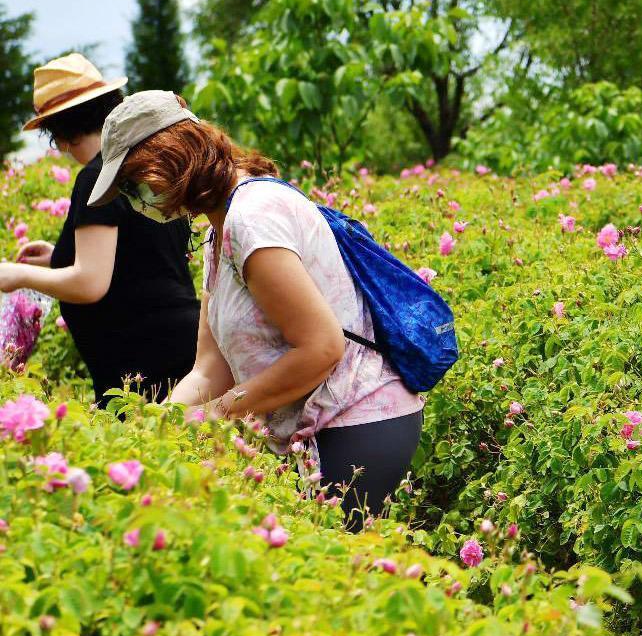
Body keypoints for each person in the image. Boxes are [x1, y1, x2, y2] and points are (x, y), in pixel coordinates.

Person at [88, 91, 424, 527]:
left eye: (133, 186)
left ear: (167, 159)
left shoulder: (252, 219)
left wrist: (223, 411)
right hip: (313, 424)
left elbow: (322, 348)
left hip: (357, 419)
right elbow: (210, 369)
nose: (136, 202)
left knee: (331, 576)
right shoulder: (218, 230)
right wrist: (156, 429)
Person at [0, 55, 198, 404]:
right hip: (182, 349)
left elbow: (90, 283)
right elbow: (141, 256)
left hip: (145, 366)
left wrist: (17, 274)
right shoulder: (144, 164)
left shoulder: (97, 176)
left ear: (59, 134)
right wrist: (56, 257)